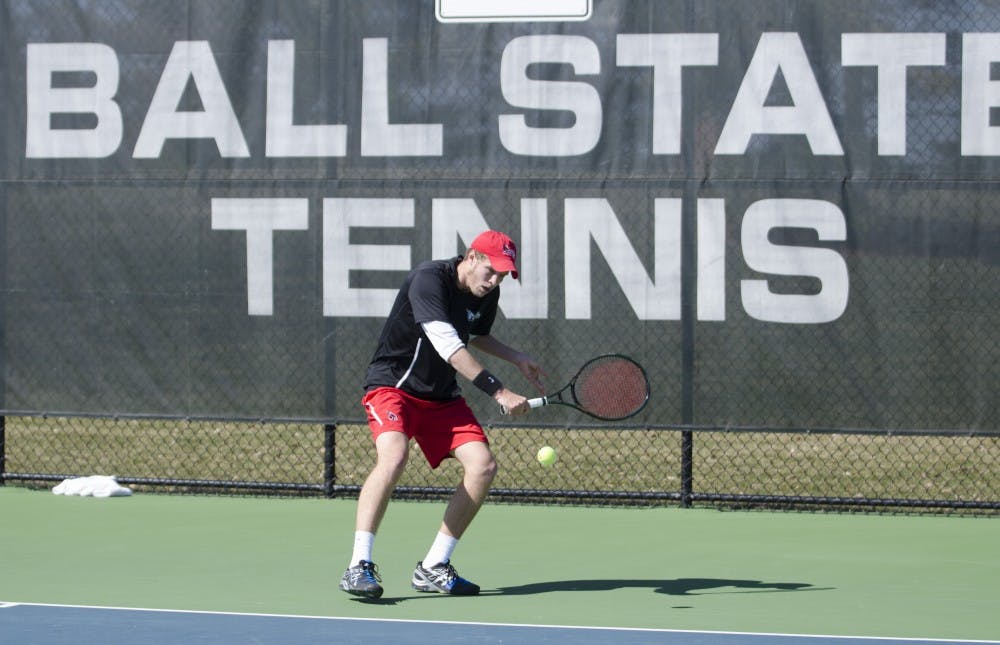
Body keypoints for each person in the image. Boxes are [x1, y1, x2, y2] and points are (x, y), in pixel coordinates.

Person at [339, 230, 545, 599]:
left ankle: (434, 565)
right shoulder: (428, 279)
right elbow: (449, 344)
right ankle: (359, 565)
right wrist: (499, 391)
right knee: (394, 457)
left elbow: (475, 334)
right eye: (491, 271)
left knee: (483, 466)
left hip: (440, 396)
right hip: (394, 386)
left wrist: (517, 357)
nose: (495, 281)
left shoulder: (487, 293)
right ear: (471, 256)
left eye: (503, 275)